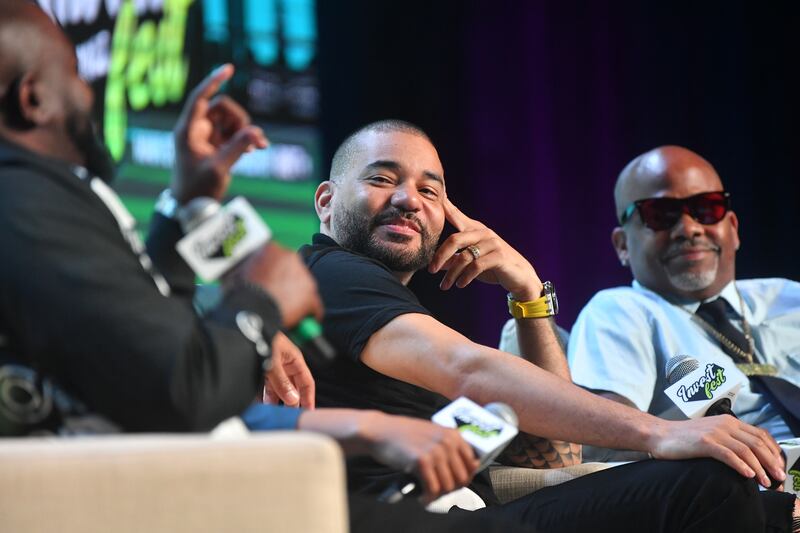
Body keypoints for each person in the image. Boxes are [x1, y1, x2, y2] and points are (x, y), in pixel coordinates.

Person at [0, 4, 531, 532]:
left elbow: (143, 334)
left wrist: (186, 201)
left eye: (429, 189)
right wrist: (261, 305)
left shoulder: (42, 199)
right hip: (182, 492)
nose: (90, 92)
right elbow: (183, 391)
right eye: (74, 74)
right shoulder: (25, 200)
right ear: (32, 98)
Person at [299, 119, 798, 531]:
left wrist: (528, 293)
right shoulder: (330, 273)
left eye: (429, 189)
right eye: (382, 179)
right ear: (325, 201)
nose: (410, 199)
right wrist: (659, 434)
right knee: (707, 487)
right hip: (407, 520)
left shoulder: (386, 309)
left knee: (731, 493)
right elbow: (465, 367)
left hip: (468, 513)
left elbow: (558, 458)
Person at [561, 146, 800, 453]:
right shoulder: (620, 311)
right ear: (622, 245)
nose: (689, 229)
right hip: (753, 489)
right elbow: (598, 448)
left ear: (734, 228)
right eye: (661, 215)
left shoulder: (789, 298)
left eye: (706, 208)